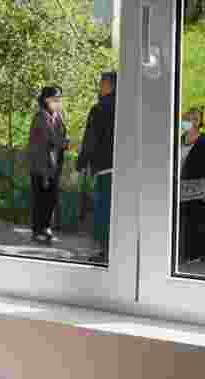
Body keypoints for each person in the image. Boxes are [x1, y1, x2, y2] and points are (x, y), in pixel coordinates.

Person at [76, 71, 117, 262]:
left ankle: (106, 253)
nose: (100, 87)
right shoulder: (128, 107)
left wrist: (81, 163)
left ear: (109, 85)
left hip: (106, 168)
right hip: (126, 168)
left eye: (102, 83)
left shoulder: (100, 108)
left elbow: (90, 139)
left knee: (103, 211)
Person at [28, 85, 71, 243]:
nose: (58, 101)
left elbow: (62, 134)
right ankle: (38, 230)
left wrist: (65, 141)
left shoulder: (58, 115)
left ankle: (45, 227)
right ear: (46, 100)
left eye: (59, 98)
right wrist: (67, 144)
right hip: (40, 164)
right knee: (40, 197)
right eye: (55, 98)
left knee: (51, 198)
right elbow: (52, 137)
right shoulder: (41, 116)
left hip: (54, 163)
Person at [178, 106, 205, 263]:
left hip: (197, 187)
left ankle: (194, 254)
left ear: (197, 122)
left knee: (195, 220)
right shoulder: (179, 139)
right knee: (182, 220)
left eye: (190, 119)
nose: (186, 122)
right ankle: (182, 252)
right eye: (185, 119)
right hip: (180, 185)